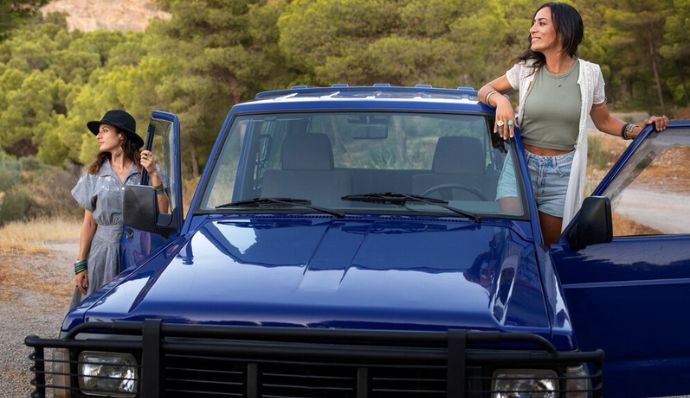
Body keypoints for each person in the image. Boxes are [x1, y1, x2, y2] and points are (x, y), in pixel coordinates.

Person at [478, 2, 668, 246]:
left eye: (541, 23)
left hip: (562, 174)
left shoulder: (590, 74)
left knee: (548, 249)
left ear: (563, 30)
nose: (532, 29)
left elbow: (603, 121)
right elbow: (485, 90)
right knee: (514, 242)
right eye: (533, 23)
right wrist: (500, 100)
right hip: (520, 167)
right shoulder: (526, 70)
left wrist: (637, 130)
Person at [69, 109, 168, 308]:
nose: (98, 136)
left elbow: (164, 211)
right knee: (96, 309)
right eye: (99, 131)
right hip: (102, 253)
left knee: (133, 308)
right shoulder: (94, 174)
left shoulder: (146, 170)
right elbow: (89, 223)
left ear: (121, 135)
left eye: (105, 130)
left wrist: (154, 175)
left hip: (138, 252)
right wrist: (80, 264)